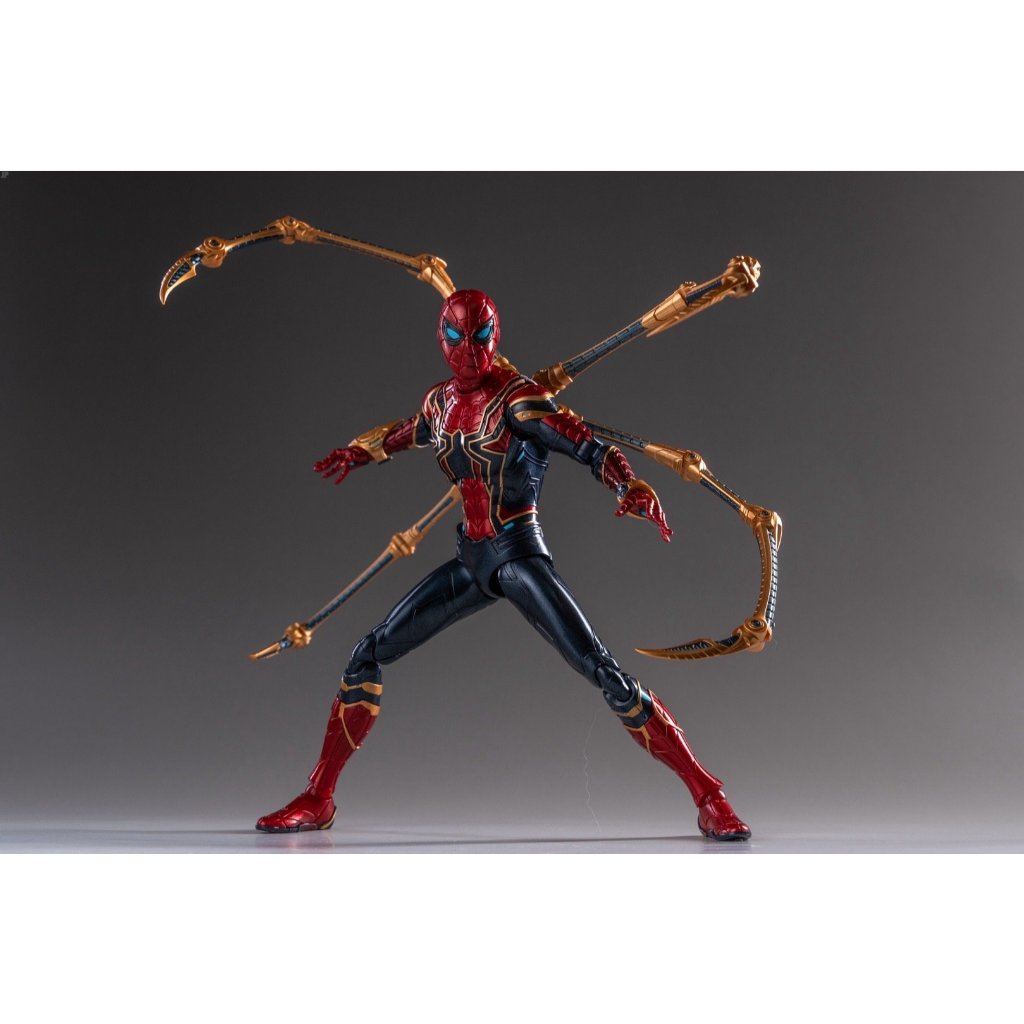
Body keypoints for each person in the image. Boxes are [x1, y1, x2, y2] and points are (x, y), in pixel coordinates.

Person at [256, 289, 750, 840]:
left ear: (496, 337)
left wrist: (627, 484)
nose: (469, 351)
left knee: (604, 672)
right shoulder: (440, 403)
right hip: (472, 559)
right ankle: (318, 797)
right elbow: (406, 433)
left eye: (480, 337)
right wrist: (359, 452)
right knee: (366, 654)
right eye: (456, 337)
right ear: (440, 338)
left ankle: (710, 796)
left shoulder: (521, 402)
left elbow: (589, 446)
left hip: (517, 555)